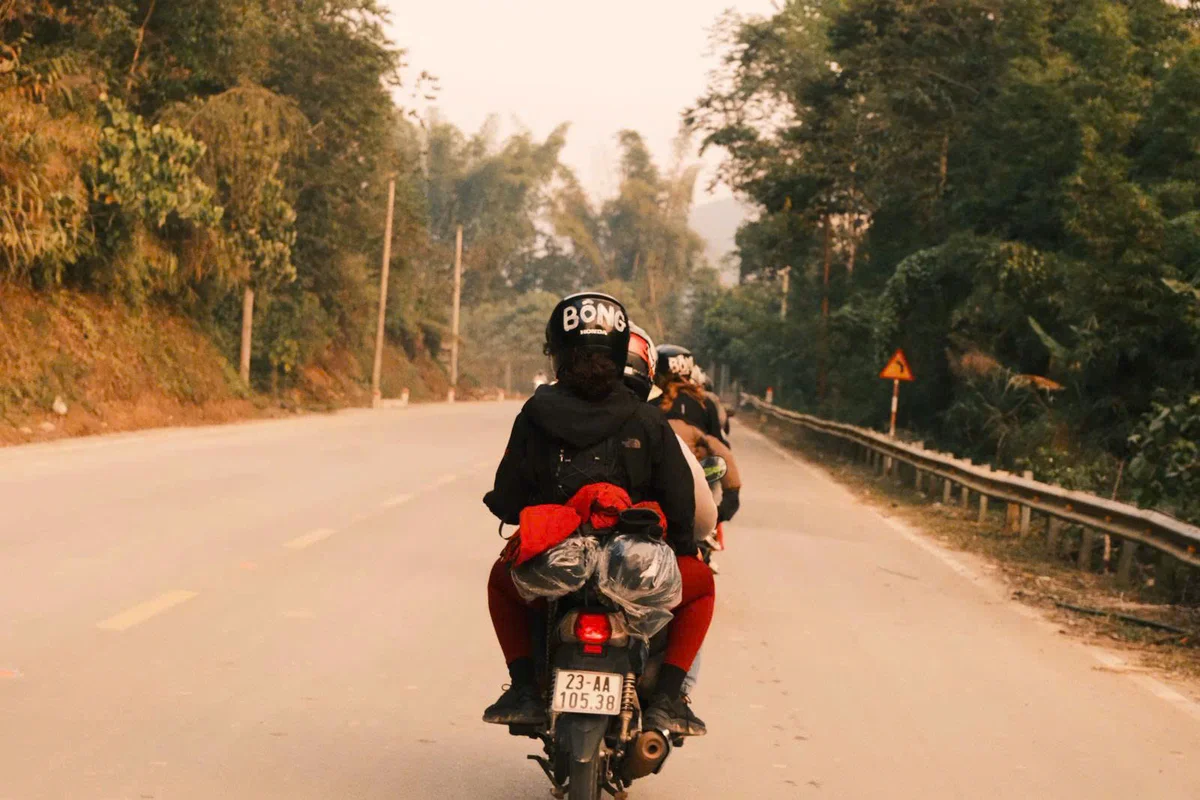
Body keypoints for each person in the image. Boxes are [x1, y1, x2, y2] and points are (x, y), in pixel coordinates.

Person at [482, 292, 714, 736]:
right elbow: (682, 506)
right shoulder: (647, 420)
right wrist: (680, 551)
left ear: (557, 354)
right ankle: (668, 699)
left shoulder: (535, 413)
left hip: (556, 563)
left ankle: (525, 690)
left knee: (499, 579)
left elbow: (510, 493)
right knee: (701, 587)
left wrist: (511, 508)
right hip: (633, 567)